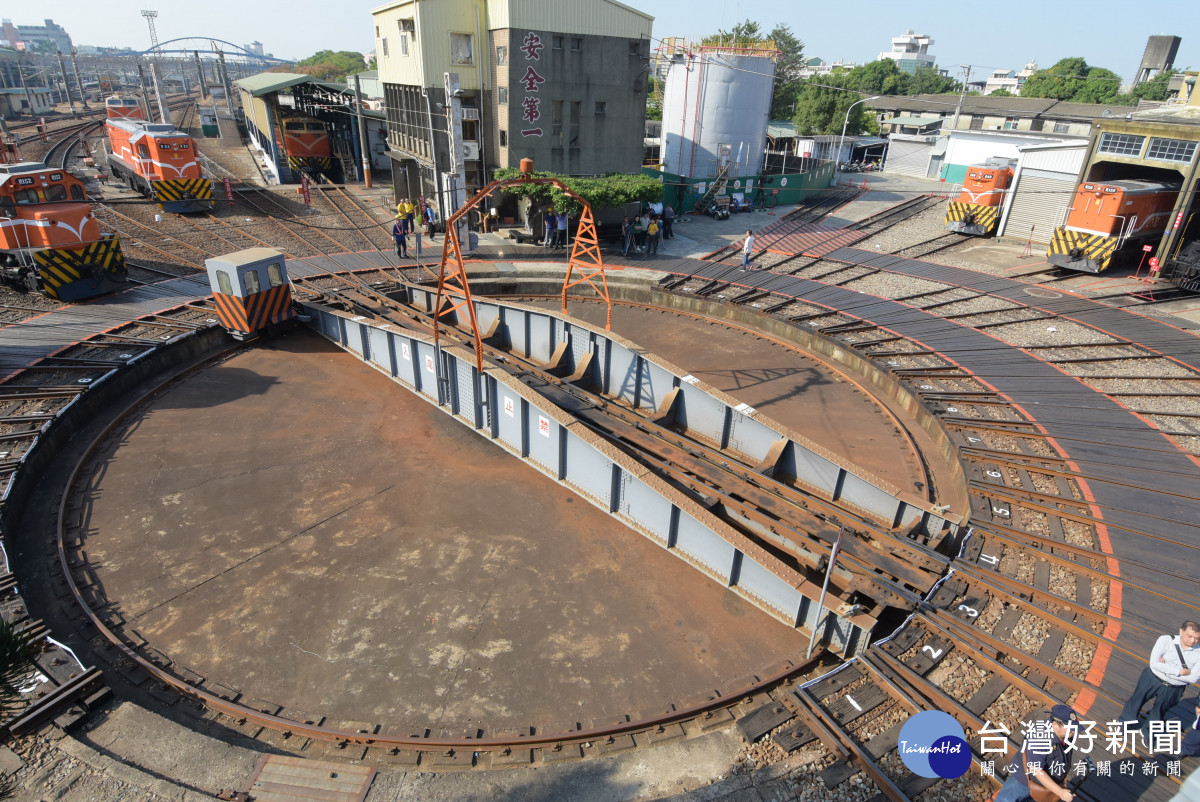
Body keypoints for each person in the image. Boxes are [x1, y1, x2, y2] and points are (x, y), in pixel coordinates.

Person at [1120, 622, 1200, 729]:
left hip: (1174, 688)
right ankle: (1124, 724)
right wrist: (1180, 672)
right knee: (1136, 701)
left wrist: (1164, 667)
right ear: (1181, 631)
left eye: (1196, 638)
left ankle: (1148, 733)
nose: (1193, 641)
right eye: (1189, 636)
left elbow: (1193, 678)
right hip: (1152, 678)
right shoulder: (1166, 640)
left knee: (1159, 712)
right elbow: (1154, 663)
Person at [994, 705, 1078, 802]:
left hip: (1047, 782)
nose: (1074, 731)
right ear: (1055, 724)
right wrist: (1060, 792)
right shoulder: (1039, 740)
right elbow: (1036, 770)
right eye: (1070, 728)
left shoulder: (1067, 735)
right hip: (1024, 781)